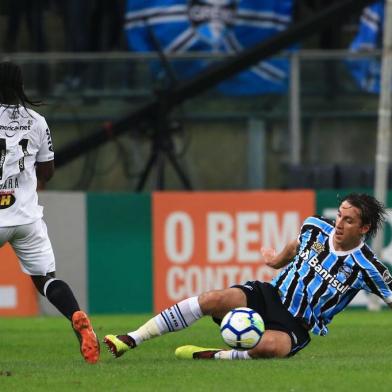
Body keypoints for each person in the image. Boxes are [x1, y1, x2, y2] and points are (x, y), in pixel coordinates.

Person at [104, 192, 391, 360]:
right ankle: (132, 337)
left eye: (348, 220)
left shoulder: (369, 267)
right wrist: (274, 261)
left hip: (298, 324)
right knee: (214, 298)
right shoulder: (315, 227)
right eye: (340, 215)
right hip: (270, 295)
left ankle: (213, 355)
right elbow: (294, 246)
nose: (338, 223)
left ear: (363, 228)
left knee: (270, 347)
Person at [0, 61, 100, 364]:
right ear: (21, 85)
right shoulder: (37, 120)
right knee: (46, 279)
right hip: (26, 218)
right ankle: (77, 318)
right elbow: (48, 171)